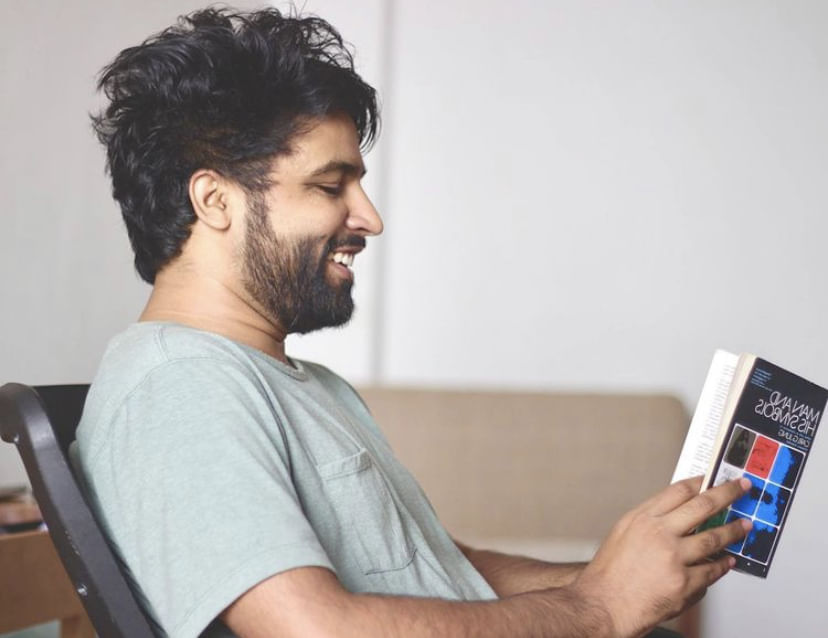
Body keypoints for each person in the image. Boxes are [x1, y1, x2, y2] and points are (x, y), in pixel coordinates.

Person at [77, 7, 751, 638]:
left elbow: (447, 570)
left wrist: (622, 575)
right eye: (330, 185)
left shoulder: (295, 383)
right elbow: (316, 630)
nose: (369, 218)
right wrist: (599, 607)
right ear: (215, 200)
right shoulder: (179, 386)